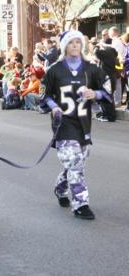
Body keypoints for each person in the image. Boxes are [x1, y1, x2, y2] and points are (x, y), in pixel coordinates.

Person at [40, 30, 113, 220]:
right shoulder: (55, 70)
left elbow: (107, 89)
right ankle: (81, 204)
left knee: (75, 164)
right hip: (63, 124)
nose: (75, 46)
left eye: (78, 42)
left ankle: (60, 188)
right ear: (65, 46)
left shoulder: (91, 68)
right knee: (75, 164)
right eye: (71, 42)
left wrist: (95, 94)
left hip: (83, 124)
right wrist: (54, 107)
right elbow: (44, 94)